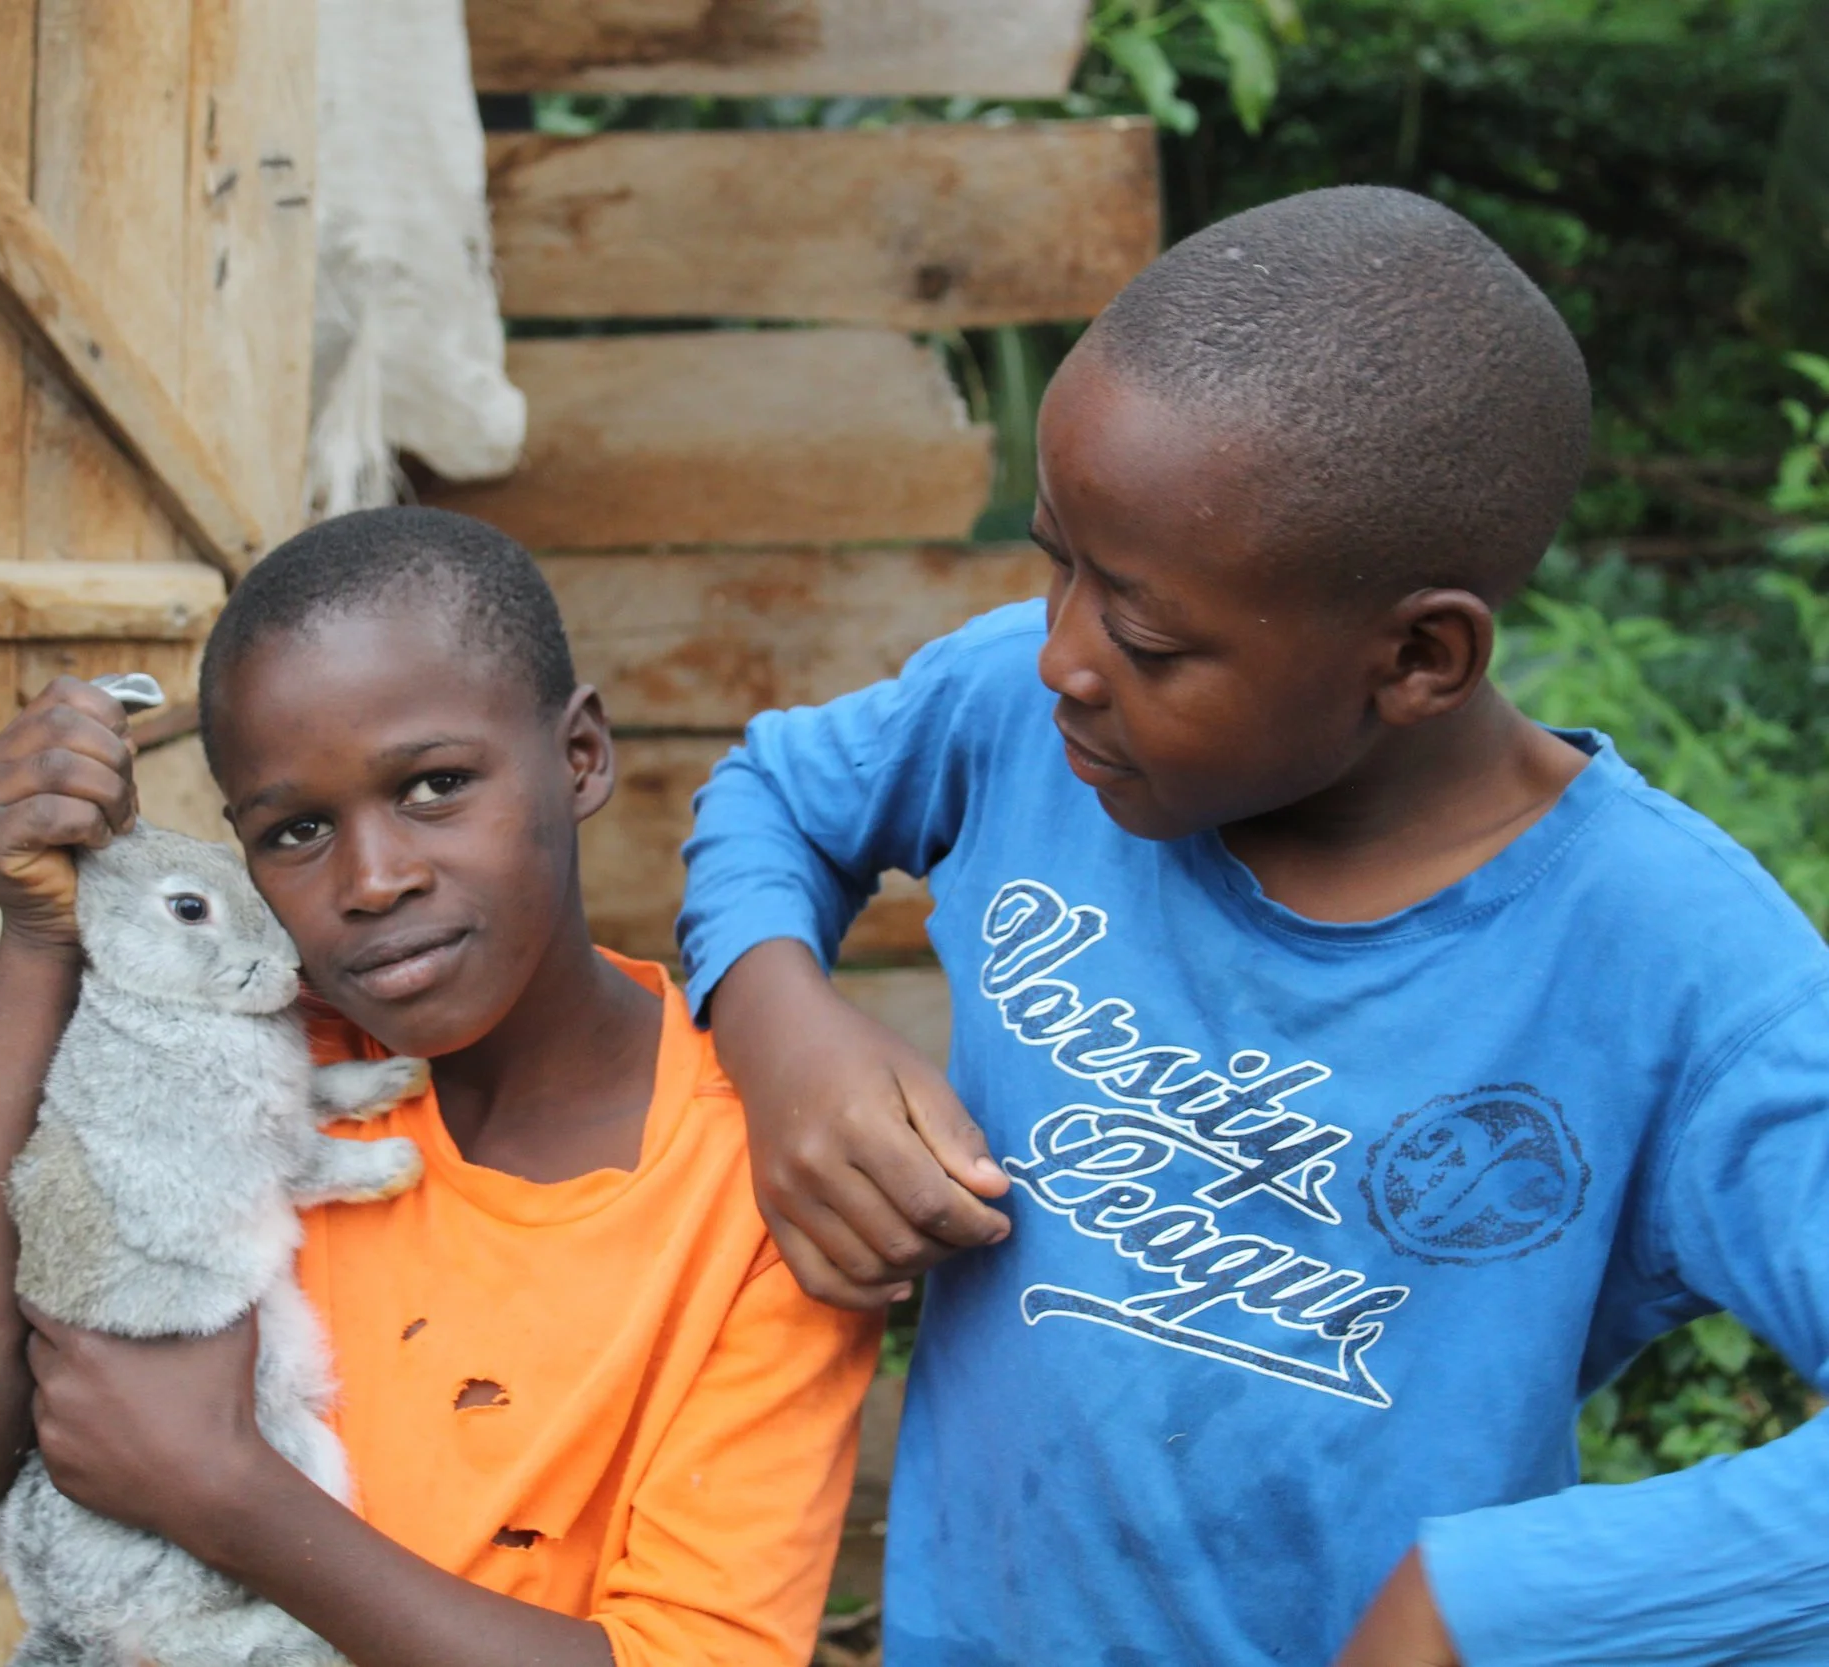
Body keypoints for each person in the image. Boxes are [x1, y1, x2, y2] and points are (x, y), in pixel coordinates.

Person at [679, 186, 1829, 1666]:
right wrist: (779, 1023)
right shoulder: (1018, 715)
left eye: (1145, 635)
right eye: (1054, 561)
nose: (1062, 655)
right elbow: (776, 797)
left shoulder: (1679, 969)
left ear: (1418, 656)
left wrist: (1503, 1602)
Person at [0, 507, 881, 1667]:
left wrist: (227, 1491)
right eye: (296, 828)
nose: (373, 877)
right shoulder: (242, 1056)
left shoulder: (756, 1181)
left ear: (579, 756)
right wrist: (43, 937)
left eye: (435, 785)